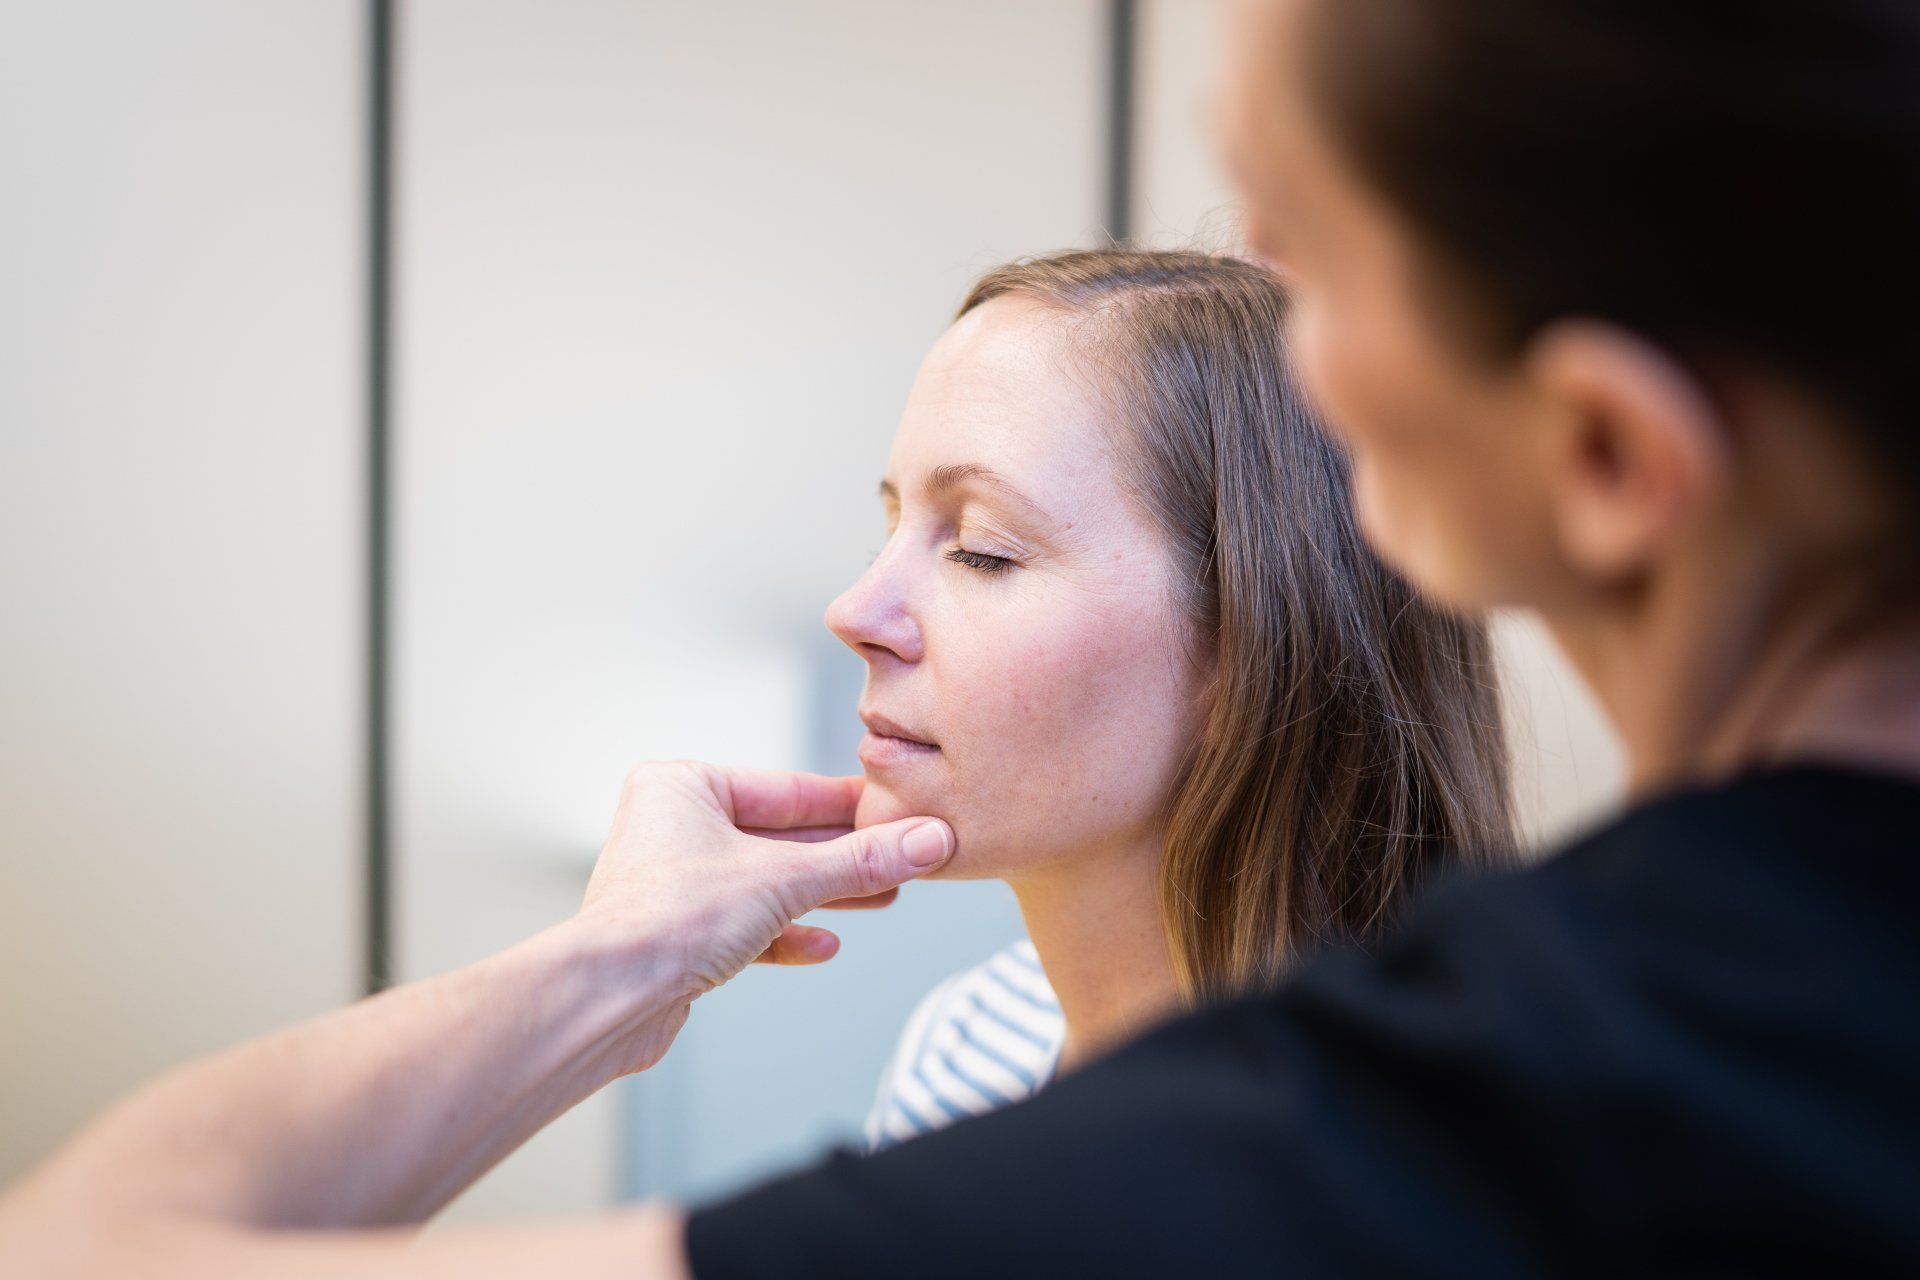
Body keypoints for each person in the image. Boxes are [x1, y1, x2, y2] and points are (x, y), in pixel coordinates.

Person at [5, 0, 1920, 1273]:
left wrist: (606, 970)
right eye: (888, 523)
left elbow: (90, 1250)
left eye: (1313, 254)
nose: (864, 608)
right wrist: (635, 958)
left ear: (1601, 451)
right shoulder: (980, 1037)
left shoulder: (1330, 1154)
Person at [841, 248, 1510, 1149]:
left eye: (980, 547)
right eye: (892, 527)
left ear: (1254, 647)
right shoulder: (963, 1049)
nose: (855, 613)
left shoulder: (1448, 1166)